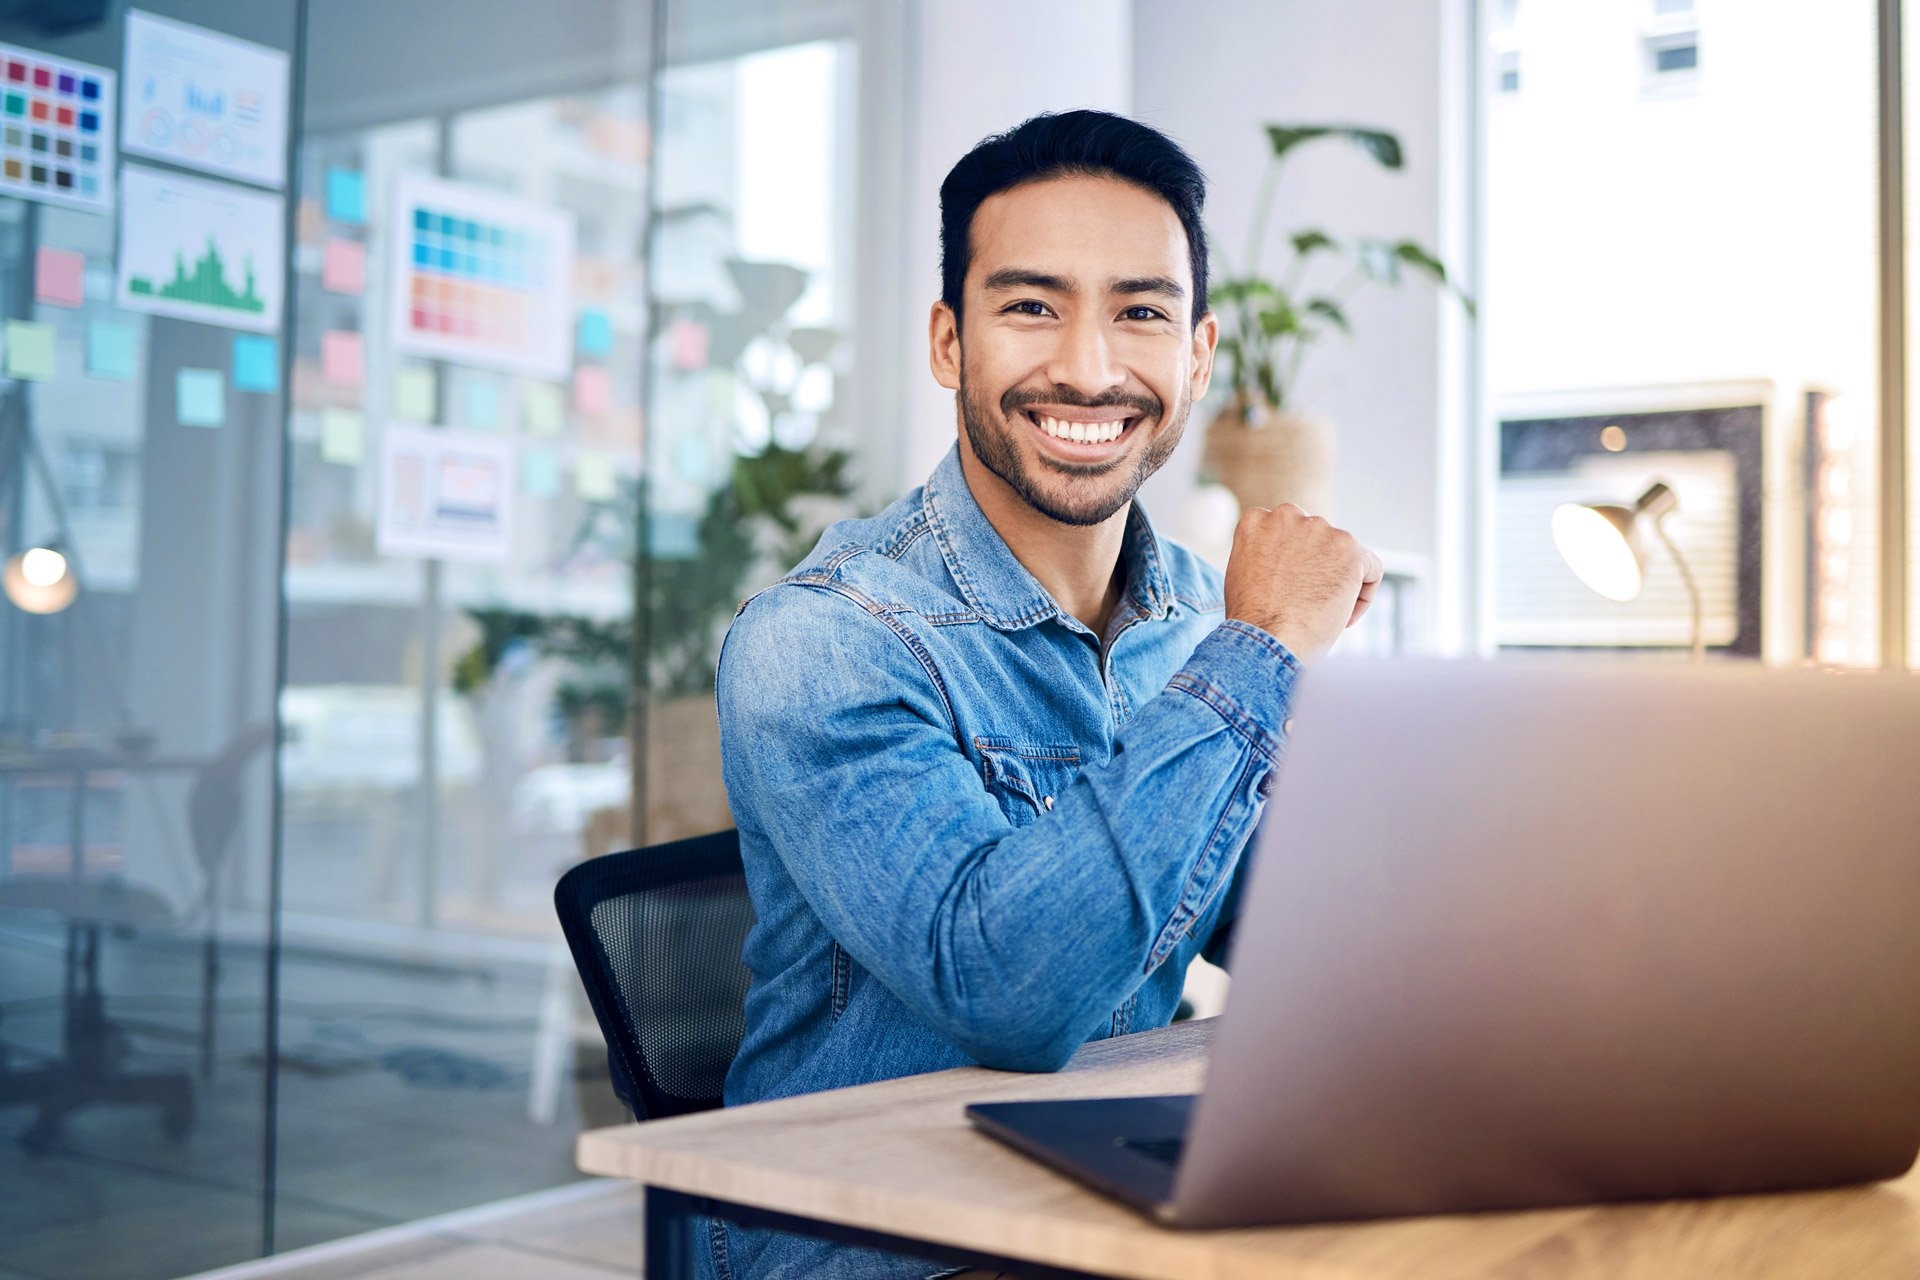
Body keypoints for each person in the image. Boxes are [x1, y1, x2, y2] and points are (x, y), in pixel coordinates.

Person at [711, 109, 1381, 1280]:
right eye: (1031, 306)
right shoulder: (821, 640)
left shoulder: (1195, 616)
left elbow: (1299, 937)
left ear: (1199, 356)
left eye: (1140, 312)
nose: (1089, 367)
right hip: (881, 1246)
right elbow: (1010, 988)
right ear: (949, 341)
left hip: (1108, 1200)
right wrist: (1262, 652)